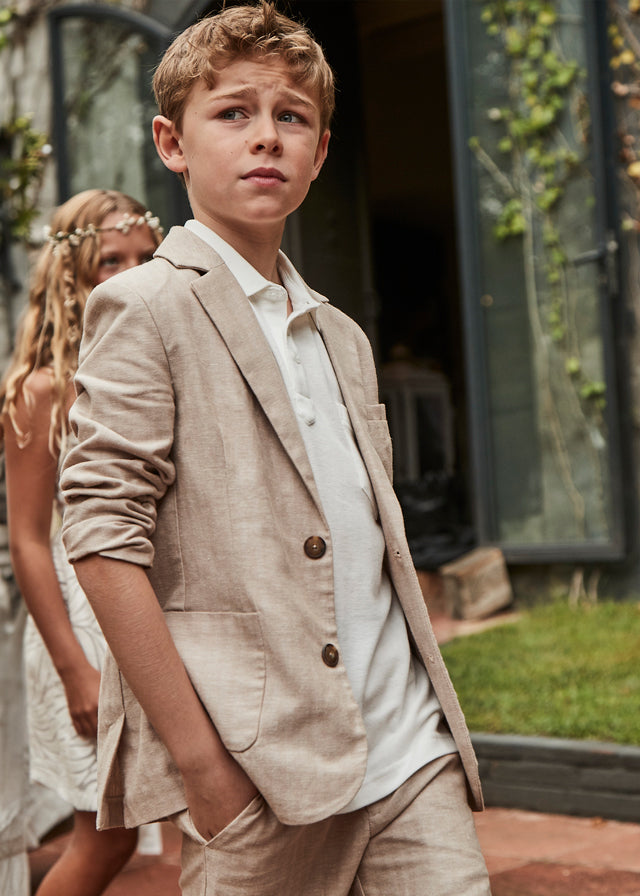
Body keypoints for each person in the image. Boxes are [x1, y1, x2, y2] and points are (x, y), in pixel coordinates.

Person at [60, 5, 492, 894]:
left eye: (290, 117)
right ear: (172, 144)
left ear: (320, 151)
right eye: (233, 113)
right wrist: (203, 766)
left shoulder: (343, 335)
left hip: (408, 748)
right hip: (261, 769)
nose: (266, 136)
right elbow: (102, 538)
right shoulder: (145, 306)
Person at [1, 188, 163, 896]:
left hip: (163, 608)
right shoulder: (42, 391)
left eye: (146, 258)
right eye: (110, 262)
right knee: (106, 837)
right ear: (72, 277)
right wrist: (74, 669)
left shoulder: (161, 365)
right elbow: (29, 541)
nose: (132, 274)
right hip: (84, 625)